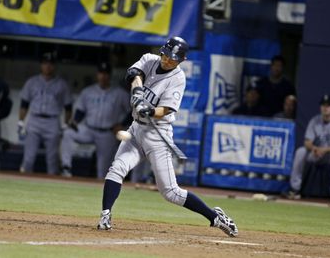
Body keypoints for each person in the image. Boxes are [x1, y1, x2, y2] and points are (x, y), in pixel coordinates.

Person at [97, 36, 238, 237]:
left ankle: (215, 217)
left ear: (181, 60)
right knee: (117, 168)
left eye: (173, 58)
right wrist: (137, 92)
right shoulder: (149, 59)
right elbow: (134, 73)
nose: (167, 60)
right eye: (166, 55)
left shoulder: (178, 78)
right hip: (136, 130)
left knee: (170, 192)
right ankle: (105, 214)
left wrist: (151, 111)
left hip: (158, 134)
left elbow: (167, 109)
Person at [60, 62, 130, 178]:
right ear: (97, 75)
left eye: (106, 73)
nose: (103, 76)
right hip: (89, 129)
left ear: (109, 75)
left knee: (102, 173)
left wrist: (121, 124)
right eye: (101, 73)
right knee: (68, 133)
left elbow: (131, 112)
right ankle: (66, 167)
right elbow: (81, 111)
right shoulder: (88, 91)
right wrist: (75, 121)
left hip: (107, 133)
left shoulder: (120, 93)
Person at [282, 94, 330, 203]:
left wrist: (324, 150)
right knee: (301, 151)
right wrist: (314, 148)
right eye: (323, 105)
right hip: (317, 153)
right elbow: (307, 141)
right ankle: (294, 189)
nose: (325, 108)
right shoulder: (315, 120)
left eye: (328, 105)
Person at [18, 52, 73, 175]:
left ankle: (52, 190)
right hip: (34, 120)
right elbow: (24, 104)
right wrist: (21, 122)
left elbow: (68, 107)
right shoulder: (32, 82)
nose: (48, 66)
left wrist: (65, 125)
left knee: (52, 161)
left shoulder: (62, 84)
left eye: (51, 64)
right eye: (45, 63)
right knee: (28, 159)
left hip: (52, 121)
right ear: (41, 65)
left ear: (54, 66)